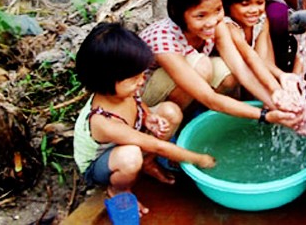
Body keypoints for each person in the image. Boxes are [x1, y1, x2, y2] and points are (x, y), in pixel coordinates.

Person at [73, 22, 216, 216]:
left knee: (170, 112)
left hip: (128, 138)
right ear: (106, 80)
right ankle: (118, 190)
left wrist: (149, 117)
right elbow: (156, 146)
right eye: (134, 78)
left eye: (142, 74)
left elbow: (137, 102)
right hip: (100, 163)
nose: (142, 81)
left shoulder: (122, 91)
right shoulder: (103, 121)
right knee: (129, 157)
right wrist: (200, 159)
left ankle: (147, 163)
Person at [140, 0, 300, 127]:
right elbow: (210, 98)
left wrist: (277, 101)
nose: (211, 22)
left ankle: (196, 115)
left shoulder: (218, 25)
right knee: (202, 65)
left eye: (218, 10)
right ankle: (179, 123)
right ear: (178, 13)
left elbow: (242, 70)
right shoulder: (164, 39)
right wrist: (264, 115)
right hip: (146, 97)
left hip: (189, 82)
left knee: (228, 73)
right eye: (200, 15)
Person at [221, 0, 306, 113]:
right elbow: (249, 56)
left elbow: (264, 60)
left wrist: (283, 77)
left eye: (259, 2)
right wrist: (275, 92)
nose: (254, 10)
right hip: (227, 78)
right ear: (228, 3)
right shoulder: (227, 25)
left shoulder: (261, 19)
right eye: (245, 4)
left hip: (249, 70)